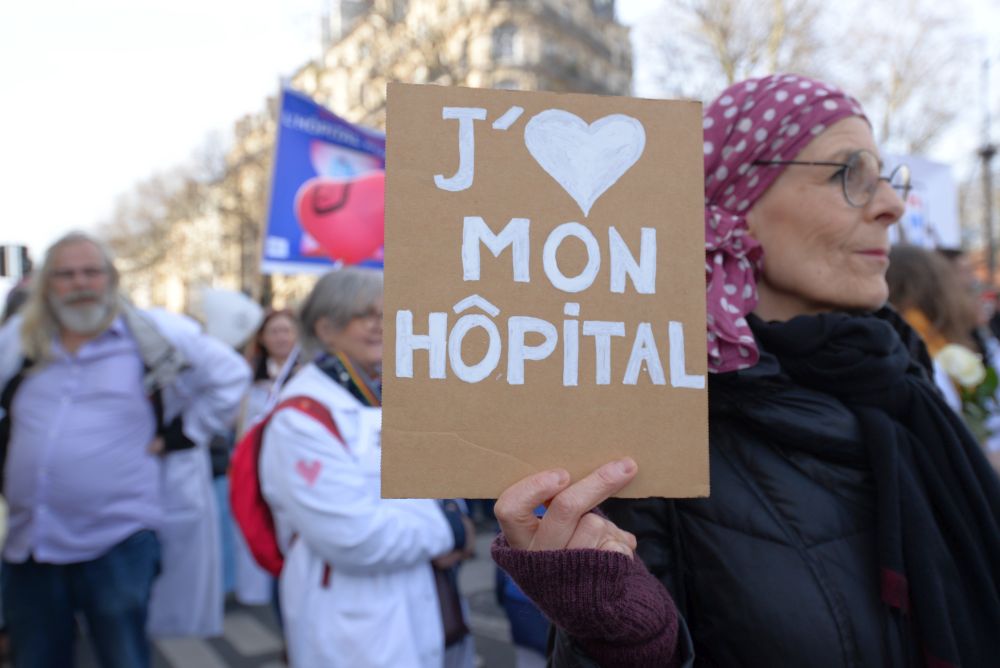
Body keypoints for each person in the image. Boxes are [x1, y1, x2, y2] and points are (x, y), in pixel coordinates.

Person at [491, 74, 1000, 667]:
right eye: (847, 174)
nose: (890, 205)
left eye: (885, 176)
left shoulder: (903, 381)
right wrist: (627, 639)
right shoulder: (656, 428)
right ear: (733, 203)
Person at [0, 231, 250, 668]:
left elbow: (230, 376)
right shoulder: (22, 340)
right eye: (65, 274)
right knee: (36, 656)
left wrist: (182, 434)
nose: (80, 283)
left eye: (91, 272)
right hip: (32, 541)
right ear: (47, 284)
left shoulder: (152, 335)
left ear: (112, 278)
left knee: (123, 657)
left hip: (117, 541)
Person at [258, 268, 476, 667]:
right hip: (351, 616)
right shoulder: (301, 417)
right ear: (326, 327)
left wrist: (449, 515)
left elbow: (436, 481)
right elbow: (353, 537)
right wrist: (450, 530)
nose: (381, 326)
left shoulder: (385, 393)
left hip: (423, 600)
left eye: (388, 314)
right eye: (366, 315)